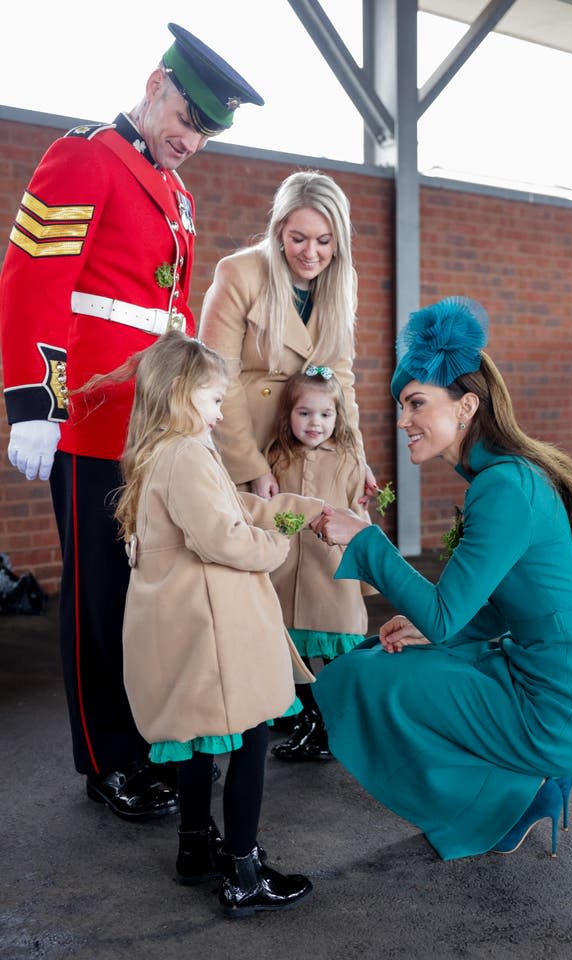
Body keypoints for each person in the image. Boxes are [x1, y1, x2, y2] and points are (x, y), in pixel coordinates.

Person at [0, 23, 264, 820]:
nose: (193, 140)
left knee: (151, 592)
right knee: (98, 596)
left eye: (207, 132)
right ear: (155, 84)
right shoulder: (83, 157)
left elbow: (171, 315)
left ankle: (150, 739)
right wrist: (32, 404)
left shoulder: (177, 193)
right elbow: (31, 280)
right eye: (187, 119)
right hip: (87, 419)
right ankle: (106, 759)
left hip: (152, 427)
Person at [311, 296, 572, 861]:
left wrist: (366, 539)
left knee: (365, 680)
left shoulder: (504, 487)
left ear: (465, 407)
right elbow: (494, 607)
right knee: (384, 659)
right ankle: (528, 788)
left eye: (415, 404)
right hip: (563, 686)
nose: (403, 420)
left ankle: (516, 791)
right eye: (400, 407)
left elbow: (445, 613)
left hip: (561, 709)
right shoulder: (507, 476)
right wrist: (430, 631)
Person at [110, 330, 320, 916]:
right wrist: (277, 543)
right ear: (179, 393)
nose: (222, 410)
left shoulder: (158, 454)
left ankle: (196, 850)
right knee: (251, 735)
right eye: (213, 398)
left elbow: (222, 509)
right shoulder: (185, 453)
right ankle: (244, 870)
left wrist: (290, 514)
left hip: (185, 624)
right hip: (213, 631)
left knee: (201, 742)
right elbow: (222, 536)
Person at [199, 169, 377, 501]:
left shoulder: (344, 281)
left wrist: (356, 457)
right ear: (279, 229)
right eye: (299, 238)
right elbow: (218, 377)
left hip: (311, 444)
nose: (311, 253)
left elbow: (340, 377)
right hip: (245, 437)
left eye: (324, 241)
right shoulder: (238, 273)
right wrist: (251, 467)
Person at [264, 368, 375, 762]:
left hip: (333, 574)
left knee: (336, 655)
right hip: (284, 572)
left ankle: (342, 725)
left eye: (325, 415)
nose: (315, 423)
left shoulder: (349, 460)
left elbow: (361, 518)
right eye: (305, 413)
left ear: (338, 417)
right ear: (288, 415)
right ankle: (312, 721)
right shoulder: (275, 456)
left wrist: (366, 574)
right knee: (289, 654)